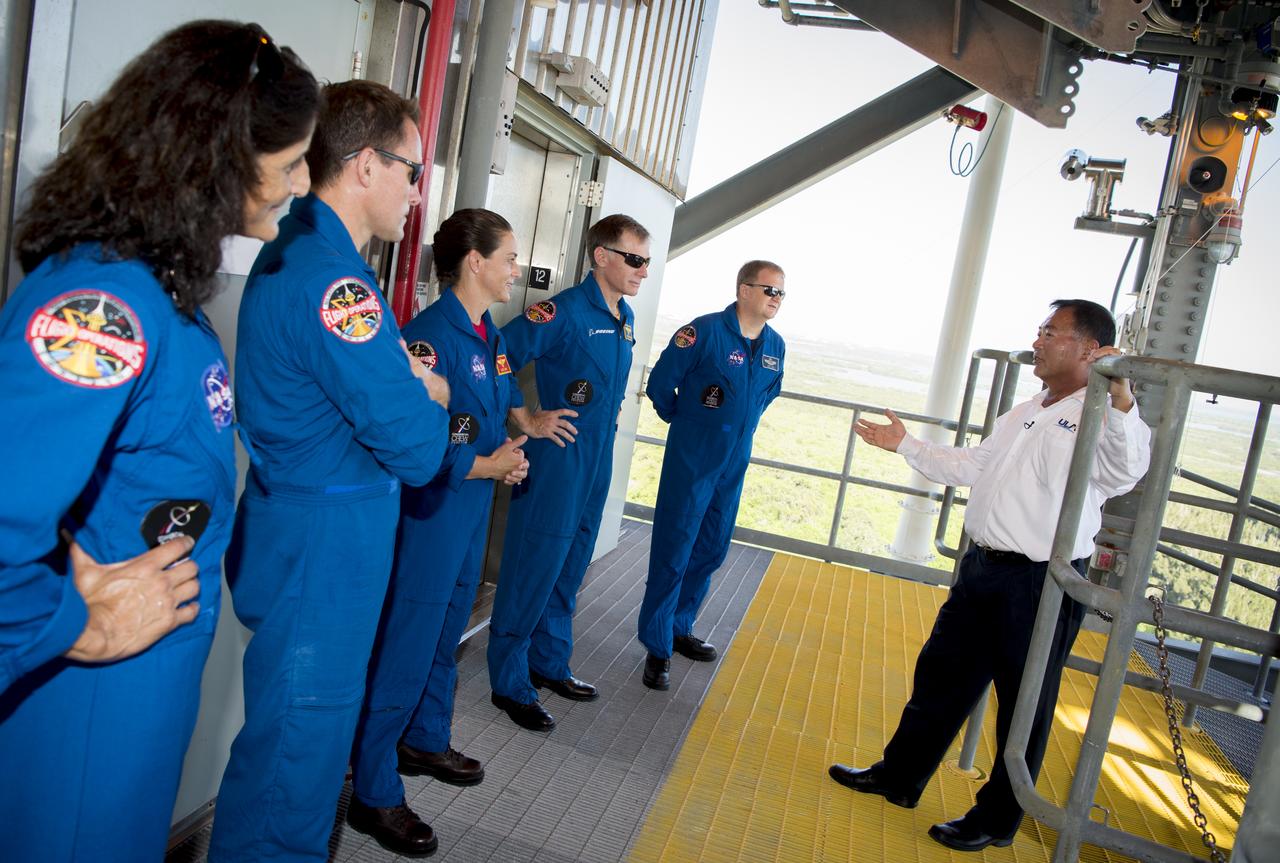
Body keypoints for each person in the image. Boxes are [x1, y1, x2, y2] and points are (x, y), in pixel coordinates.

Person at [0, 20, 318, 862]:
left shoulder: (160, 297)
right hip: (84, 716)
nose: (301, 184)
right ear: (214, 156)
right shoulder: (105, 309)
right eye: (289, 163)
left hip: (134, 711)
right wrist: (75, 625)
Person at [209, 80, 451, 862]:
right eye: (413, 170)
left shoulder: (313, 256)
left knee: (295, 744)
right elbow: (417, 448)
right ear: (363, 165)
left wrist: (401, 383)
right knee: (295, 765)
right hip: (324, 551)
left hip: (311, 534)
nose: (418, 192)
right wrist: (429, 392)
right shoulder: (332, 280)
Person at [828, 299, 1151, 852]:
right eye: (1041, 329)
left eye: (1051, 331)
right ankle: (899, 776)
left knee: (1024, 703)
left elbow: (1123, 471)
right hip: (984, 567)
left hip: (1040, 581)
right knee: (941, 678)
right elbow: (976, 465)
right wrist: (905, 445)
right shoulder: (1029, 409)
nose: (1039, 339)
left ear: (1091, 350)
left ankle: (997, 818)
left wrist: (1120, 395)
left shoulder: (1101, 414)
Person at [346, 208, 531, 856]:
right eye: (508, 256)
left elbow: (478, 417)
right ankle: (371, 790)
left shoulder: (489, 334)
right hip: (431, 511)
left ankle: (424, 736)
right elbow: (419, 441)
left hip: (472, 506)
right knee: (406, 646)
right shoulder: (427, 338)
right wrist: (488, 461)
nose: (516, 268)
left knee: (444, 634)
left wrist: (509, 450)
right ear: (475, 261)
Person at [486, 214, 650, 732]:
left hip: (596, 457)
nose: (643, 270)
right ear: (601, 256)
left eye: (647, 261)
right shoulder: (562, 312)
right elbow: (499, 353)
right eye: (635, 259)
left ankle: (548, 662)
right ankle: (510, 682)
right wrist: (525, 418)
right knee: (534, 565)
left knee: (572, 562)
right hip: (558, 459)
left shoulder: (624, 316)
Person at [636, 261, 787, 690]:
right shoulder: (702, 332)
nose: (775, 299)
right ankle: (657, 645)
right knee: (675, 547)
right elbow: (663, 383)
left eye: (781, 293)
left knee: (713, 546)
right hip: (693, 456)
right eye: (768, 290)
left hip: (734, 460)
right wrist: (686, 423)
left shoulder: (776, 345)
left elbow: (766, 394)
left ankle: (680, 625)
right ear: (743, 289)